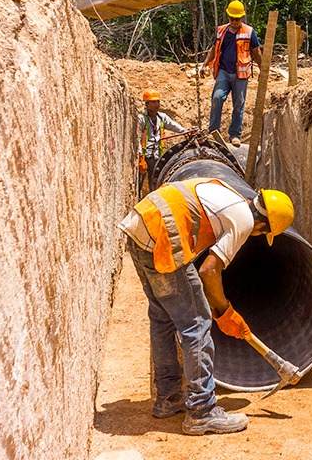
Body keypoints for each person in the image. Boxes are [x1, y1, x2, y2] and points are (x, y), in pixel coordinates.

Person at [118, 178, 295, 435]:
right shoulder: (244, 220)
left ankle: (168, 398)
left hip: (141, 227)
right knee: (198, 322)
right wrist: (225, 312)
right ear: (261, 225)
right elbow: (209, 270)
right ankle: (202, 411)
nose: (256, 235)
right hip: (163, 235)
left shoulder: (230, 195)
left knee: (163, 318)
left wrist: (220, 306)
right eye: (261, 233)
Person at [204, 0, 261, 146]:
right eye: (232, 19)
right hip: (224, 71)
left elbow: (256, 51)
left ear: (242, 17)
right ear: (228, 17)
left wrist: (263, 69)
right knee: (217, 98)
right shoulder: (221, 31)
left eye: (237, 19)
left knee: (239, 104)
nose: (234, 22)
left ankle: (235, 134)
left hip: (240, 75)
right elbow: (213, 48)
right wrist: (205, 63)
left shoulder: (249, 32)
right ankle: (214, 132)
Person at [138, 90, 188, 198]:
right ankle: (138, 199)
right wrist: (140, 156)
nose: (157, 105)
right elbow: (138, 138)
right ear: (147, 104)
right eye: (154, 102)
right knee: (139, 182)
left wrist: (185, 132)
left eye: (158, 102)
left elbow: (174, 126)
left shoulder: (161, 117)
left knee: (155, 182)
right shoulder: (142, 119)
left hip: (156, 156)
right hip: (145, 156)